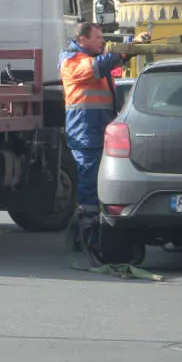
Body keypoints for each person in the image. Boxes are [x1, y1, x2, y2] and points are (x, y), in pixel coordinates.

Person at [59, 22, 128, 258]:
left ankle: (89, 230)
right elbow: (97, 68)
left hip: (97, 129)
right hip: (85, 131)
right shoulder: (71, 60)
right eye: (98, 37)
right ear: (83, 40)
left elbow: (106, 66)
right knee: (88, 183)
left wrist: (127, 52)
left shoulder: (88, 58)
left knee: (97, 183)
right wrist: (124, 50)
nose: (102, 41)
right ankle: (86, 233)